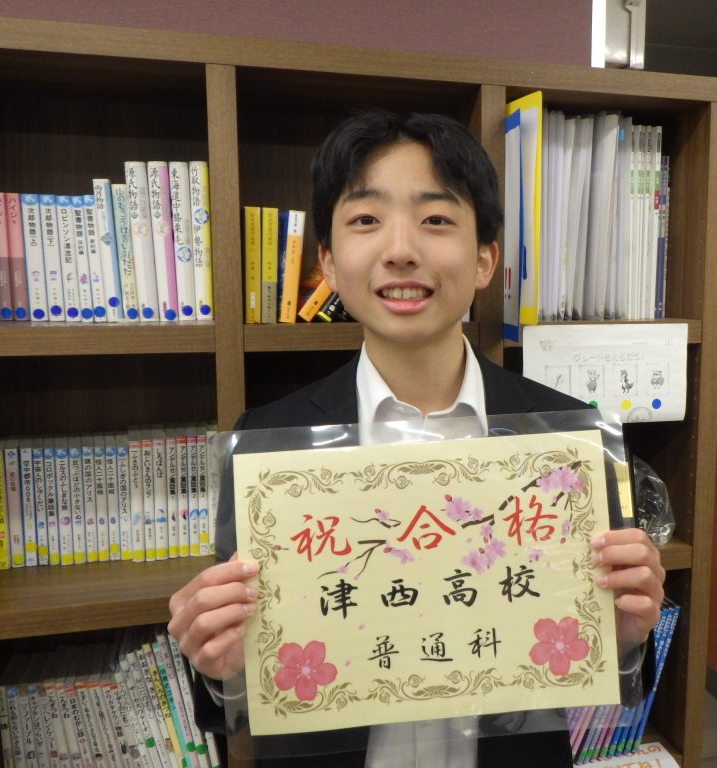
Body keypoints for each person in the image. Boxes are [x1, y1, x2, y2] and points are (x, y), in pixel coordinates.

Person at [167, 110, 665, 767]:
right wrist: (220, 662)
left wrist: (625, 635)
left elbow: (609, 670)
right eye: (365, 219)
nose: (400, 249)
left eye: (435, 218)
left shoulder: (566, 441)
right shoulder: (268, 444)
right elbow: (236, 694)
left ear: (485, 259)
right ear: (328, 262)